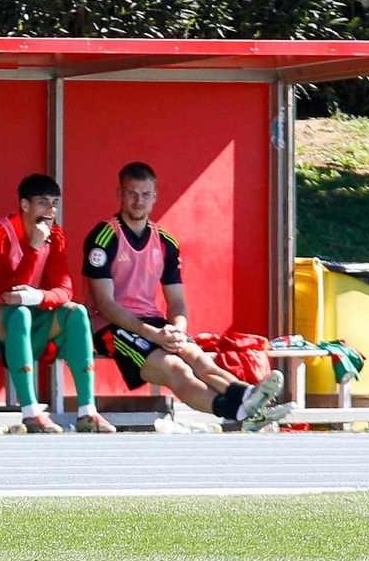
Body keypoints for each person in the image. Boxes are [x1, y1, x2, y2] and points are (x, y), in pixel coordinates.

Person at [83, 162, 292, 429]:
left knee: (200, 360)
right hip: (111, 328)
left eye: (145, 194)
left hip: (155, 324)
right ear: (119, 194)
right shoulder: (103, 237)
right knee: (177, 369)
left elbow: (177, 301)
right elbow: (106, 304)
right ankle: (243, 413)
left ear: (155, 197)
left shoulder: (165, 241)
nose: (138, 201)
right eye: (132, 193)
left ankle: (249, 397)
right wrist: (153, 334)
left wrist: (178, 330)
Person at [0, 174, 114, 435]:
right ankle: (31, 412)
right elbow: (9, 292)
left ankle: (87, 411)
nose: (51, 211)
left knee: (77, 313)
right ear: (24, 205)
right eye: (43, 202)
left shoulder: (55, 235)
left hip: (20, 312)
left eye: (55, 203)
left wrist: (37, 297)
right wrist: (34, 247)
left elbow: (65, 290)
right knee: (20, 314)